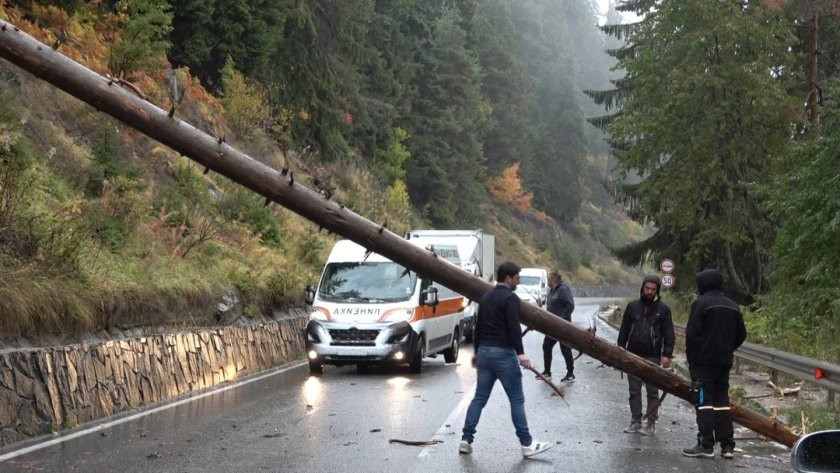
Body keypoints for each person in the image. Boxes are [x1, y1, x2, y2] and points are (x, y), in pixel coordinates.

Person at [459, 262, 553, 459]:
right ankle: (527, 444)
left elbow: (479, 328)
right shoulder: (511, 299)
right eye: (517, 278)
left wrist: (477, 353)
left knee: (479, 398)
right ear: (508, 278)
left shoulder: (486, 298)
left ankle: (465, 440)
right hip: (503, 355)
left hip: (484, 353)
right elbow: (513, 327)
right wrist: (520, 353)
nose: (518, 281)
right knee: (516, 399)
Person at [682, 269, 746, 459]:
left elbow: (692, 335)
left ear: (704, 284)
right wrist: (728, 348)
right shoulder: (733, 306)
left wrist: (691, 359)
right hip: (724, 362)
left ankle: (706, 444)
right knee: (722, 402)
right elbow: (741, 334)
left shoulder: (700, 304)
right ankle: (727, 446)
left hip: (703, 363)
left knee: (703, 402)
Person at [616, 275, 675, 436]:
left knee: (652, 391)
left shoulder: (663, 310)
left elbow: (669, 334)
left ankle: (651, 422)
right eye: (647, 288)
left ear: (657, 291)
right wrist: (620, 350)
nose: (649, 292)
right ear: (642, 288)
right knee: (634, 390)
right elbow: (624, 330)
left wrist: (667, 355)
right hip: (632, 354)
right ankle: (635, 421)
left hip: (653, 356)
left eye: (653, 289)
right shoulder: (632, 307)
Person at [539, 272, 576, 382]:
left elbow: (570, 305)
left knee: (565, 349)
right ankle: (547, 372)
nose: (548, 282)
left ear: (554, 280)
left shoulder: (563, 289)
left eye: (549, 280)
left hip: (562, 326)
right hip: (552, 327)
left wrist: (560, 319)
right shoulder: (552, 291)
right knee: (546, 346)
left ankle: (570, 373)